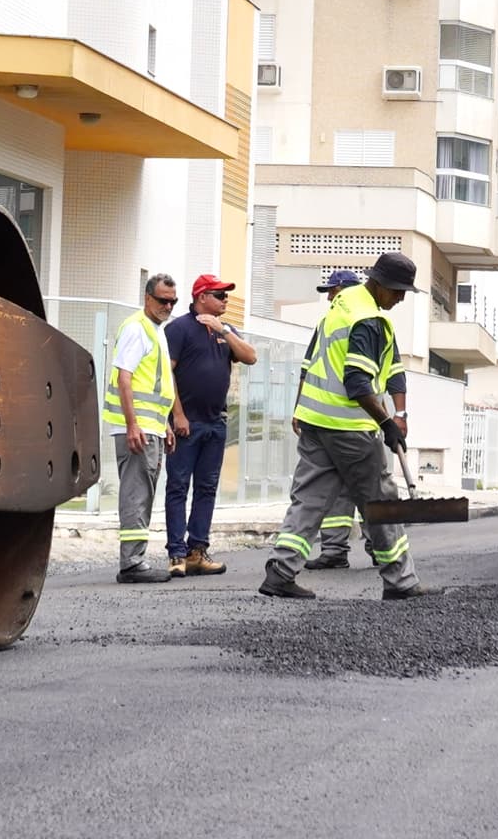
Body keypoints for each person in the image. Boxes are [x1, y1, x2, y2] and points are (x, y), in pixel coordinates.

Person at [264, 251, 433, 601]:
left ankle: (281, 571)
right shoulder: (369, 319)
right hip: (348, 428)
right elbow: (357, 382)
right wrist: (387, 423)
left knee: (308, 499)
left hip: (316, 423)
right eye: (399, 291)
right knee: (381, 500)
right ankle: (401, 581)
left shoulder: (340, 306)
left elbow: (315, 365)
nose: (401, 298)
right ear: (381, 284)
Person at [164, 273, 255, 576]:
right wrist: (178, 414)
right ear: (201, 297)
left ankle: (196, 551)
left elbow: (250, 357)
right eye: (219, 295)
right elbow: (168, 375)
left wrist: (224, 332)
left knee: (207, 488)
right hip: (187, 424)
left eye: (226, 295)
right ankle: (176, 553)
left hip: (216, 423)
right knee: (178, 487)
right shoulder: (179, 329)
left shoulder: (225, 329)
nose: (225, 300)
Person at [105, 275, 185, 584]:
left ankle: (135, 560)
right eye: (163, 300)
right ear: (147, 298)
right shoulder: (137, 328)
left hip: (149, 427)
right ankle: (132, 564)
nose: (168, 306)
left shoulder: (155, 331)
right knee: (136, 493)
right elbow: (124, 378)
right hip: (138, 429)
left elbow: (153, 385)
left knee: (144, 492)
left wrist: (162, 422)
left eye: (172, 301)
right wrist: (133, 424)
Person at [306, 268, 364, 569]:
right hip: (328, 420)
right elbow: (309, 367)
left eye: (332, 290)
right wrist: (299, 409)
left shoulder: (367, 321)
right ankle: (333, 551)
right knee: (339, 490)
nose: (329, 296)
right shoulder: (326, 323)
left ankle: (383, 549)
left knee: (369, 491)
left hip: (360, 422)